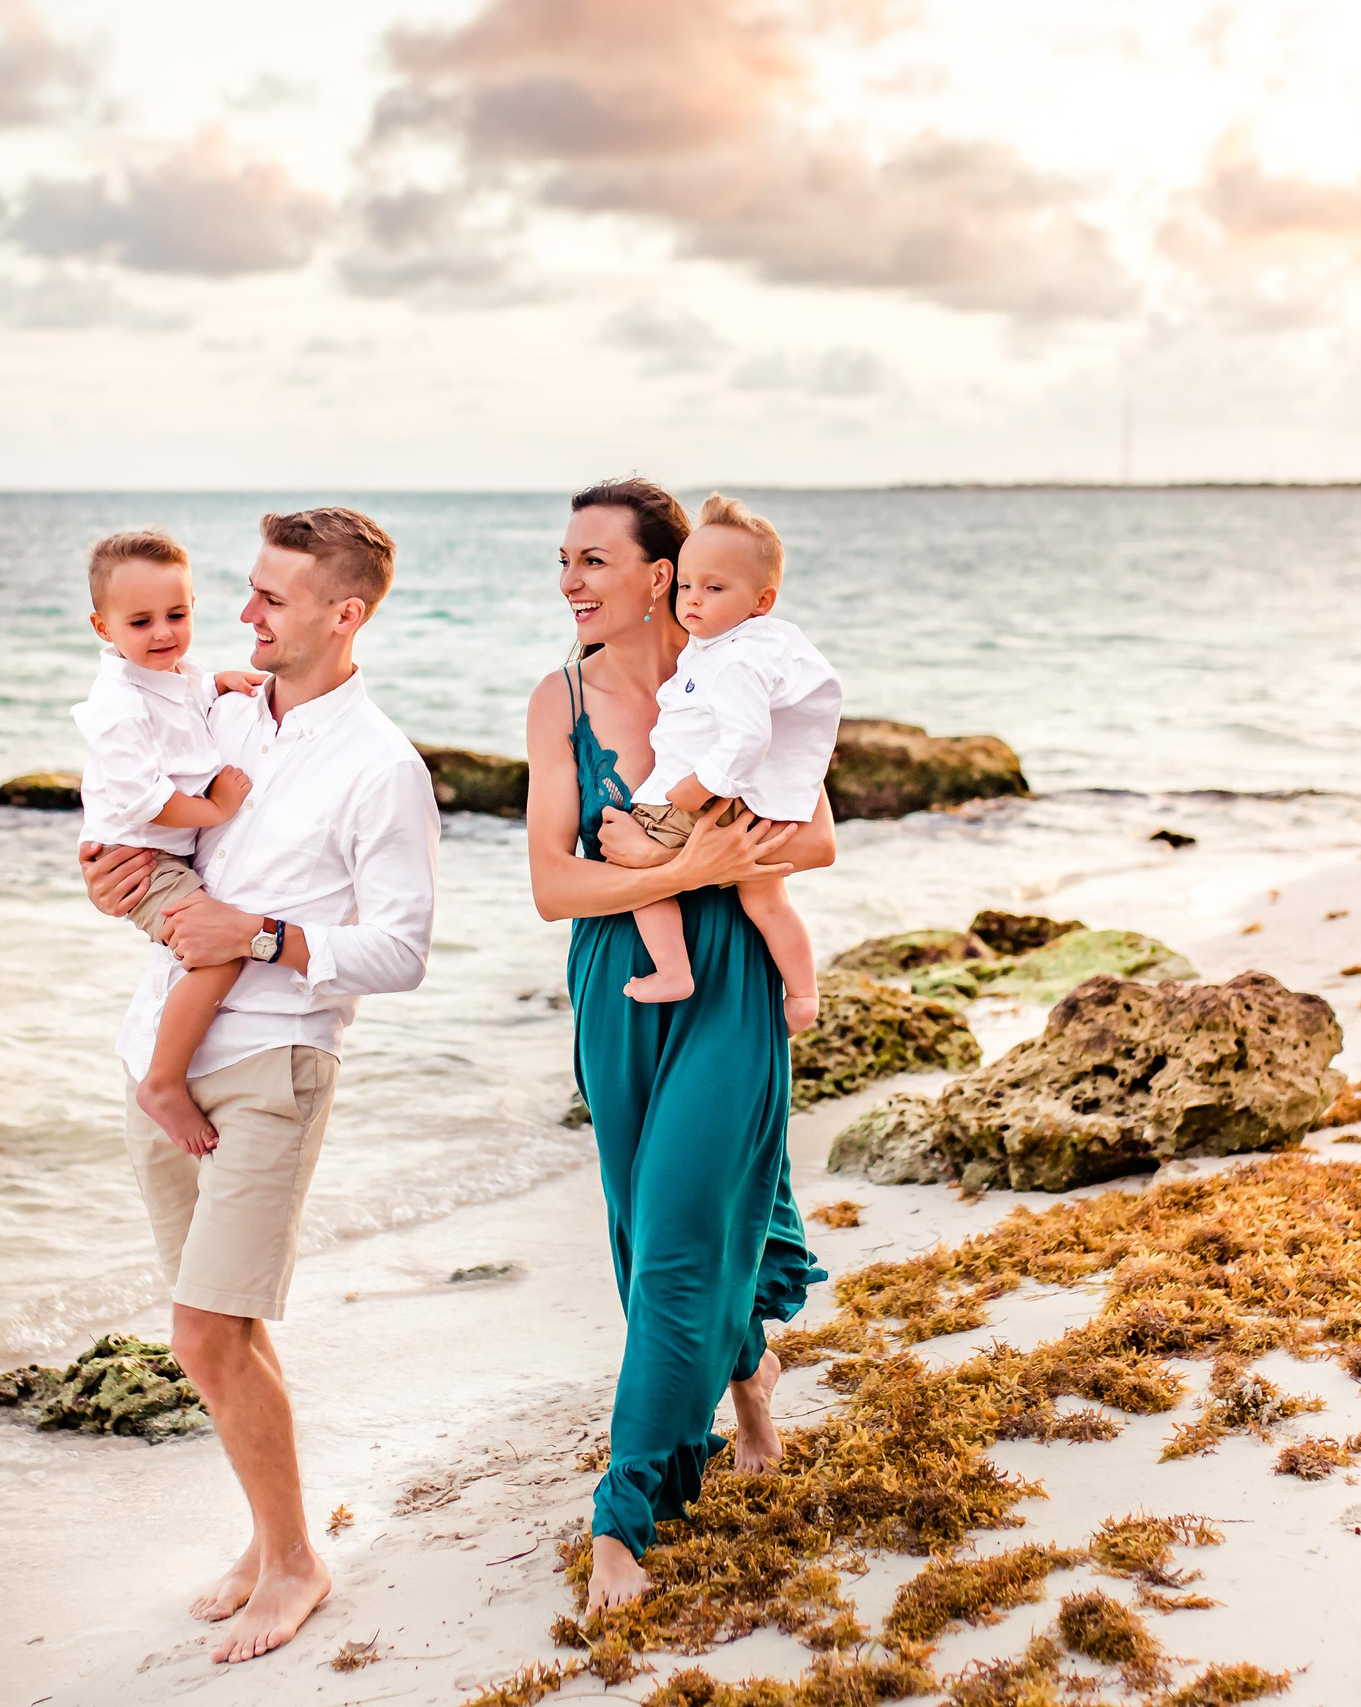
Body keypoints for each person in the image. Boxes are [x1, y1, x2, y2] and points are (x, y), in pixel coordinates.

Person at [78, 506, 439, 1665]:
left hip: (270, 1062)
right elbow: (159, 856)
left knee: (201, 1330)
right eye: (247, 588)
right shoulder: (220, 704)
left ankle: (294, 1562)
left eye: (271, 597)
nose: (243, 613)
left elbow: (401, 952)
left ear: (345, 613)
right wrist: (113, 886)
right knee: (217, 1329)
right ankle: (270, 1537)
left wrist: (268, 933)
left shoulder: (383, 769)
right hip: (160, 1054)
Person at [522, 477, 834, 1613]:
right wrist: (677, 867)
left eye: (592, 560)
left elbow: (821, 842)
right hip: (617, 980)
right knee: (643, 1223)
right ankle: (747, 1369)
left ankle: (626, 1512)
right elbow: (553, 886)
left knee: (678, 1237)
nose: (569, 581)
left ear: (660, 576)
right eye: (564, 560)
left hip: (731, 976)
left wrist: (699, 869)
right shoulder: (555, 703)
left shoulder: (741, 674)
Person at [600, 494, 841, 1034]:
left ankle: (672, 969)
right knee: (768, 902)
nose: (693, 601)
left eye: (714, 588)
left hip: (706, 798)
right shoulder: (755, 647)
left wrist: (695, 787)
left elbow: (748, 735)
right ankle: (802, 995)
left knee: (631, 861)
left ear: (761, 602)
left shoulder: (735, 660)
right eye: (687, 586)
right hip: (747, 806)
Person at [69, 528, 269, 1155]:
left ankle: (166, 1072)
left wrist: (222, 683)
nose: (163, 634)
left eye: (177, 615)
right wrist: (217, 808)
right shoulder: (116, 706)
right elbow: (145, 798)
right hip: (138, 856)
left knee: (213, 945)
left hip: (160, 853)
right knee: (218, 954)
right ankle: (162, 1083)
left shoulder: (175, 673)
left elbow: (188, 697)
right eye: (142, 622)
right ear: (103, 628)